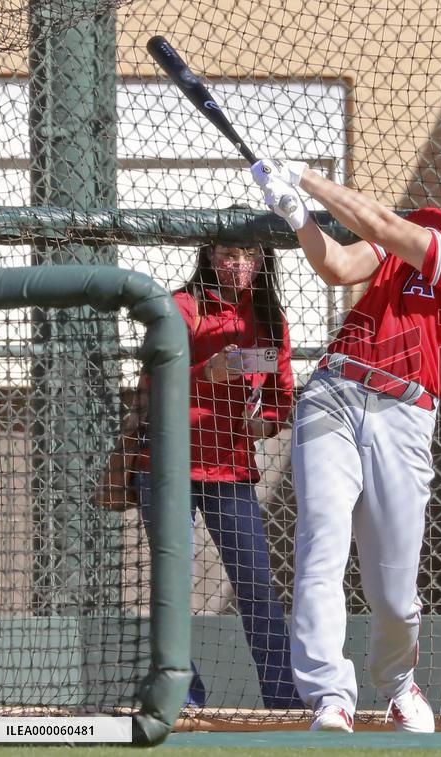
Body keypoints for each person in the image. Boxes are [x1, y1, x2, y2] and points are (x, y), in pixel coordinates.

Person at [249, 157, 441, 733]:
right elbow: (339, 268)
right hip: (335, 392)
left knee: (393, 589)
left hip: (406, 414)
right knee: (321, 546)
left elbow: (390, 232)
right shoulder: (432, 219)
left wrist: (306, 180)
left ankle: (395, 685)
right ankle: (329, 697)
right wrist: (298, 217)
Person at [133, 240, 302, 709]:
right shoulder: (182, 308)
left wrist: (265, 422)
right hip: (166, 468)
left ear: (263, 259)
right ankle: (184, 695)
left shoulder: (269, 317)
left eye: (249, 254)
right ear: (209, 257)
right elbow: (150, 381)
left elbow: (281, 397)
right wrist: (203, 372)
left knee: (256, 589)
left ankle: (283, 699)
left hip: (231, 469)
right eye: (228, 254)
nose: (239, 264)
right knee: (173, 586)